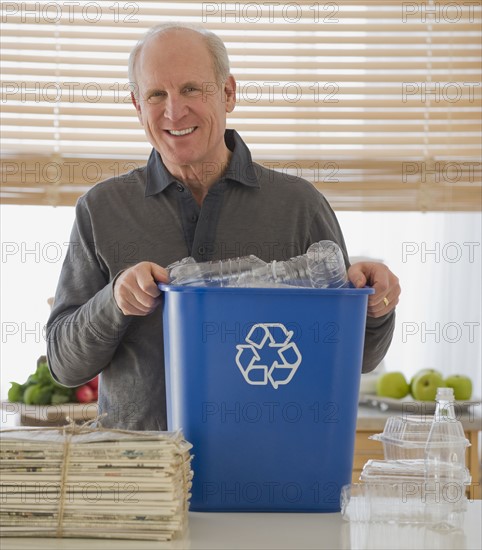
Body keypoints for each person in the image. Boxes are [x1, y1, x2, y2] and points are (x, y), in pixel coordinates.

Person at [47, 22, 401, 430]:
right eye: (156, 94)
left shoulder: (299, 206)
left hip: (270, 472)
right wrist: (114, 302)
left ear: (229, 93)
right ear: (136, 105)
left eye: (192, 89)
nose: (174, 111)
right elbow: (64, 366)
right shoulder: (102, 209)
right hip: (141, 477)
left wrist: (375, 305)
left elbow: (356, 358)